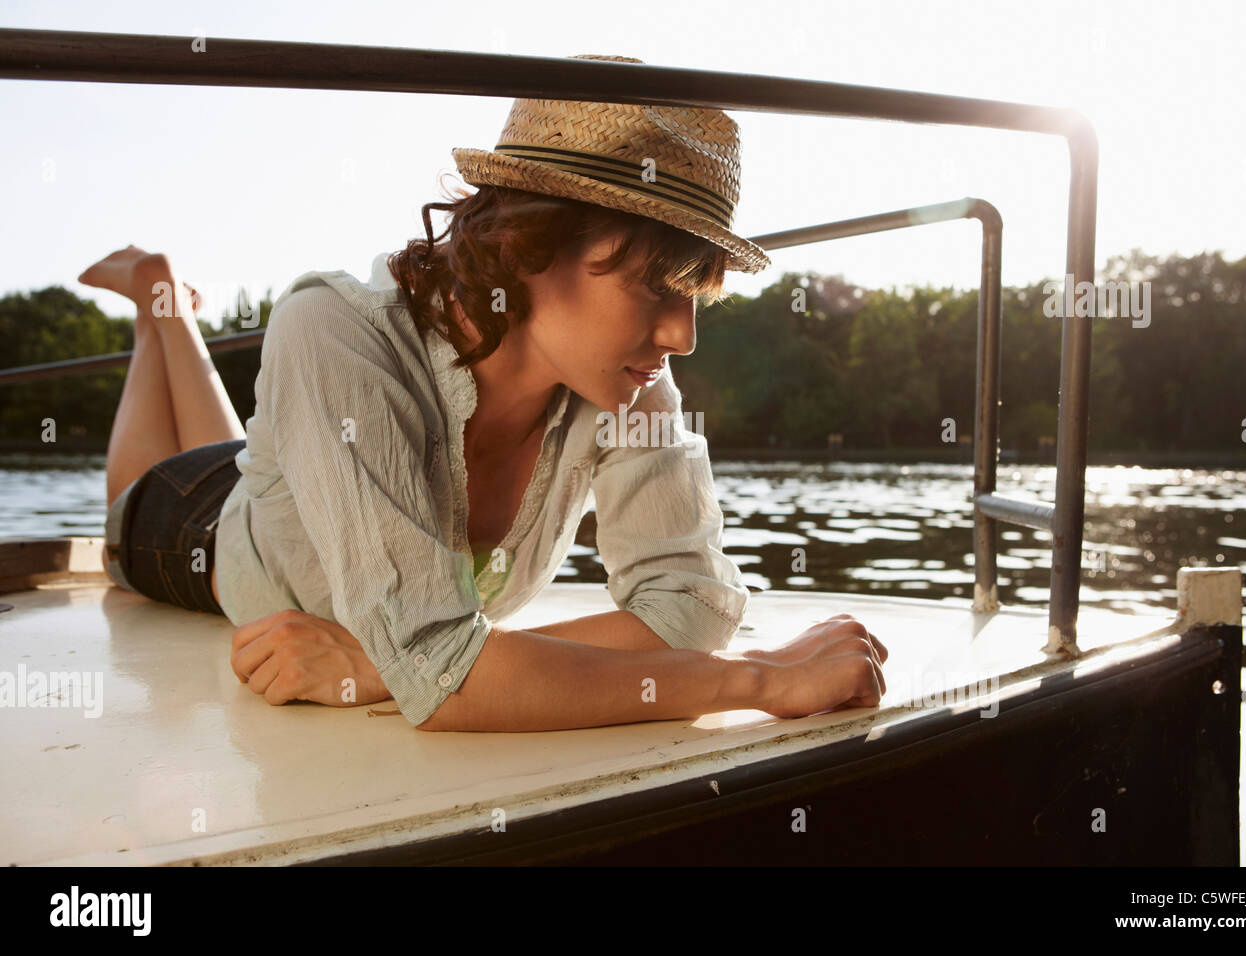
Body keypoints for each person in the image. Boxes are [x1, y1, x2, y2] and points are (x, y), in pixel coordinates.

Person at [85, 54, 888, 733]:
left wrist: (385, 663)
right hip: (195, 525)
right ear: (530, 244)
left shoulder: (630, 386)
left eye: (694, 296)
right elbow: (444, 676)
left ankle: (166, 307)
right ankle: (159, 305)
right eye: (654, 286)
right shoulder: (332, 330)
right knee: (129, 503)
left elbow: (689, 608)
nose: (682, 336)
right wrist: (757, 680)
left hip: (295, 464)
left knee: (244, 453)